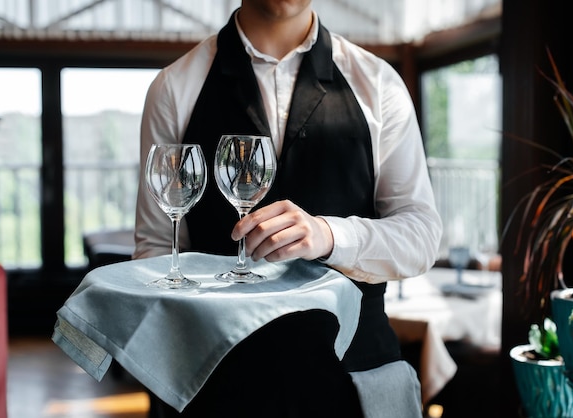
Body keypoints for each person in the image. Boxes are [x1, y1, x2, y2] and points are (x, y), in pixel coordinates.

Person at [134, 1, 442, 416]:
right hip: (219, 387)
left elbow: (422, 237)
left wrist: (330, 236)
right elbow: (157, 246)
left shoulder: (379, 84)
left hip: (356, 383)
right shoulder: (174, 87)